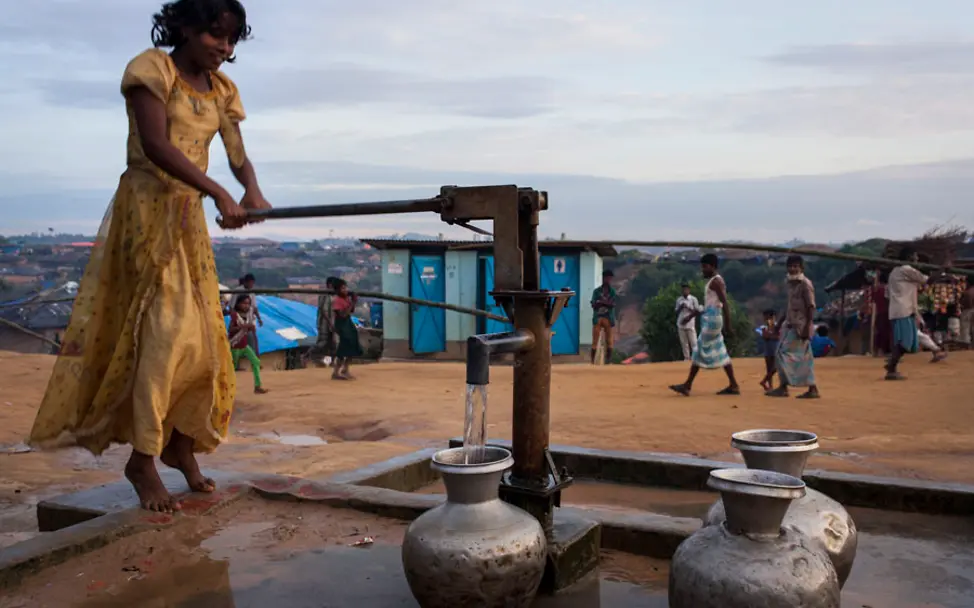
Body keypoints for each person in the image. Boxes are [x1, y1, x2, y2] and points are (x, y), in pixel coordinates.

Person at [28, 0, 271, 513]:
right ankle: (142, 459)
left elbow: (236, 151)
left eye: (231, 41)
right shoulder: (150, 70)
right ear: (183, 27)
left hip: (187, 222)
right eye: (215, 36)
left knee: (206, 341)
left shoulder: (223, 90)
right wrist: (218, 193)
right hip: (146, 212)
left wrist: (250, 191)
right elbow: (158, 146)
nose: (224, 49)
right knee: (164, 333)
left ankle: (179, 444)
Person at [669, 254, 740, 396]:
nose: (703, 269)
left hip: (713, 319)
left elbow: (724, 303)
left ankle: (687, 385)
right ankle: (733, 384)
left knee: (698, 350)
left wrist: (728, 324)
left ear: (713, 266)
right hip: (712, 318)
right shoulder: (715, 281)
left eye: (705, 266)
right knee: (720, 351)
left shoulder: (715, 282)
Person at [766, 256, 820, 399]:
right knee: (803, 356)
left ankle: (785, 387)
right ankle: (808, 388)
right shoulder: (791, 283)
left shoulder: (805, 284)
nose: (792, 269)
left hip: (800, 326)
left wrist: (807, 326)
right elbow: (789, 306)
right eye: (790, 266)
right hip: (790, 324)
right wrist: (778, 325)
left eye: (796, 266)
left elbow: (810, 307)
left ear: (801, 268)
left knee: (781, 353)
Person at [885, 248, 934, 380]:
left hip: (903, 310)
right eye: (915, 256)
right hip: (903, 310)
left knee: (906, 343)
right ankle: (891, 368)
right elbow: (926, 280)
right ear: (909, 257)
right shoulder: (906, 269)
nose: (917, 259)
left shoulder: (894, 272)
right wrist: (943, 270)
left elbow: (888, 294)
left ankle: (891, 366)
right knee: (904, 343)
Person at [229, 296, 268, 394]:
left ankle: (257, 386)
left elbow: (249, 328)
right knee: (231, 369)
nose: (246, 306)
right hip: (235, 346)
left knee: (256, 362)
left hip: (244, 345)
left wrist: (251, 327)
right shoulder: (235, 315)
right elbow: (231, 329)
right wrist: (244, 326)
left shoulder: (249, 315)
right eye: (244, 303)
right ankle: (228, 389)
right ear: (238, 304)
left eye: (248, 304)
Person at [331, 279, 362, 380]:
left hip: (348, 323)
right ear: (338, 290)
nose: (345, 290)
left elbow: (351, 311)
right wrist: (352, 302)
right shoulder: (337, 301)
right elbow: (343, 315)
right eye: (343, 288)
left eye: (346, 288)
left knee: (353, 345)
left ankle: (345, 369)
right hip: (342, 325)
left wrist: (353, 301)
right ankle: (336, 372)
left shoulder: (346, 299)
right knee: (343, 347)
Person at [229, 273, 262, 356]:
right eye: (250, 282)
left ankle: (256, 359)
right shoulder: (238, 291)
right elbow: (231, 307)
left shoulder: (252, 293)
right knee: (237, 339)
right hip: (239, 318)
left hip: (249, 318)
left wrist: (259, 319)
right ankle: (236, 363)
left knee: (253, 338)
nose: (251, 284)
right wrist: (235, 318)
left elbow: (254, 307)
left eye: (252, 283)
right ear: (246, 282)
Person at [590, 270, 618, 364]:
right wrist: (606, 303)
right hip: (598, 317)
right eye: (607, 278)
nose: (608, 280)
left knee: (609, 340)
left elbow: (612, 304)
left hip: (607, 317)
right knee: (595, 340)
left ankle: (608, 360)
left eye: (609, 278)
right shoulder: (597, 291)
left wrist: (600, 302)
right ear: (603, 278)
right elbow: (594, 304)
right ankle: (592, 361)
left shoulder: (612, 291)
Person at [314, 276, 340, 366]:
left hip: (333, 321)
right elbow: (324, 311)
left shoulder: (334, 295)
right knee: (322, 342)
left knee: (334, 342)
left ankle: (333, 361)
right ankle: (310, 356)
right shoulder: (324, 295)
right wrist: (330, 323)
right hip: (325, 322)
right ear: (330, 285)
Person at [675, 283, 701, 361]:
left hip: (690, 324)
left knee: (693, 342)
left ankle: (696, 357)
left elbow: (697, 311)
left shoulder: (693, 299)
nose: (684, 291)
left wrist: (688, 307)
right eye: (683, 290)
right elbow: (676, 312)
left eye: (686, 289)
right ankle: (686, 358)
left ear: (689, 290)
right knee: (684, 343)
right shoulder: (679, 300)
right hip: (681, 323)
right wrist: (681, 307)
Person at [758, 309, 780, 391]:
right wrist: (772, 335)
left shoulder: (776, 326)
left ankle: (764, 381)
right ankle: (770, 385)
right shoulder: (764, 327)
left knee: (775, 367)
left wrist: (770, 335)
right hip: (768, 349)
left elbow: (776, 336)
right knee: (769, 368)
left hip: (774, 349)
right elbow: (765, 336)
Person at [960, 282, 974, 350]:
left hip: (968, 311)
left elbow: (966, 303)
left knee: (965, 328)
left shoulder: (968, 292)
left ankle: (966, 347)